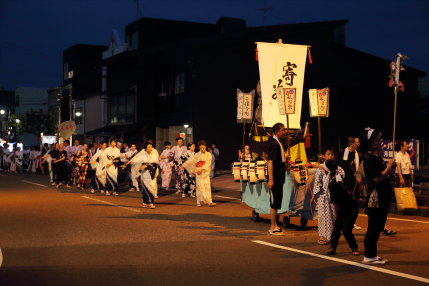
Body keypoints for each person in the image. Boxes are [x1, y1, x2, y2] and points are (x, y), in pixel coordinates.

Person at [360, 128, 395, 265]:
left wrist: (388, 170)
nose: (380, 141)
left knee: (377, 226)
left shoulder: (375, 156)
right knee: (374, 226)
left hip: (382, 196)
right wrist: (389, 166)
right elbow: (377, 178)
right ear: (371, 143)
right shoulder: (369, 158)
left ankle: (372, 254)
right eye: (377, 140)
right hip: (376, 197)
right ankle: (369, 255)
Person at [325, 159, 360, 256]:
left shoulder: (334, 183)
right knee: (336, 228)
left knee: (346, 229)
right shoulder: (340, 175)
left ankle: (354, 247)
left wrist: (337, 214)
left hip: (351, 207)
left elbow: (335, 203)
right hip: (348, 206)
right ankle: (332, 247)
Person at [312, 146, 336, 245]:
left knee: (333, 216)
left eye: (332, 154)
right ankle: (322, 236)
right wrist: (315, 194)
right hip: (323, 195)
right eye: (328, 154)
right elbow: (317, 182)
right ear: (324, 156)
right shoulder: (320, 168)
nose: (330, 156)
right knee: (322, 216)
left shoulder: (336, 167)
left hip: (334, 195)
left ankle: (333, 236)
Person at [266, 123, 287, 235]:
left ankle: (275, 225)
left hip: (280, 177)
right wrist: (271, 179)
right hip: (275, 178)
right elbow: (270, 162)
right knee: (274, 202)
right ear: (277, 131)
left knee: (277, 200)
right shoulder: (274, 144)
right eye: (282, 130)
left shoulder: (279, 142)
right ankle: (272, 227)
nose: (284, 132)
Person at [183, 140, 215, 207]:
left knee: (207, 187)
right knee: (200, 187)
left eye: (203, 148)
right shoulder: (197, 154)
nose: (202, 149)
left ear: (205, 147)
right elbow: (192, 161)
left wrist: (202, 169)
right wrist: (185, 165)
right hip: (198, 172)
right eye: (200, 148)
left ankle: (209, 201)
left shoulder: (209, 154)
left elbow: (208, 163)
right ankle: (200, 202)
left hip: (205, 172)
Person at [134, 141, 159, 209]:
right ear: (145, 148)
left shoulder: (154, 155)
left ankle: (151, 203)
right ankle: (145, 202)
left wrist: (146, 165)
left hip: (151, 174)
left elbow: (155, 164)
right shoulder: (142, 155)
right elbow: (136, 162)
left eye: (151, 147)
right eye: (148, 147)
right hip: (144, 174)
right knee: (144, 189)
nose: (150, 148)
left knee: (151, 188)